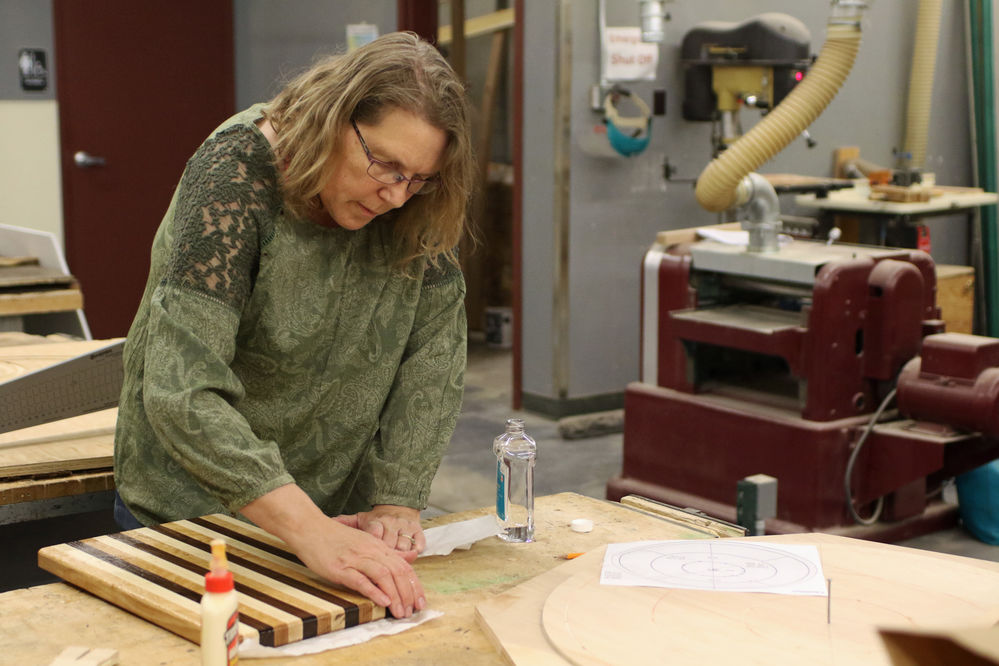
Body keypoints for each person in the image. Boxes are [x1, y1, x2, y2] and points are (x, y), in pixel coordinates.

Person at [112, 32, 476, 620]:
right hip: (191, 515)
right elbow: (183, 389)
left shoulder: (412, 201)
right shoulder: (236, 174)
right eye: (383, 163)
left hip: (335, 519)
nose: (394, 194)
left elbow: (432, 358)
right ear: (334, 120)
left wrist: (397, 500)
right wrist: (305, 527)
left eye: (417, 178)